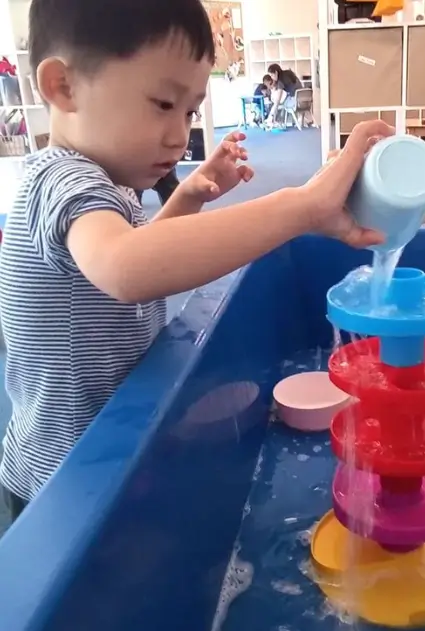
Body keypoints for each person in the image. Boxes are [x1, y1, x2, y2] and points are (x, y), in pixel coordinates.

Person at [0, 0, 388, 523]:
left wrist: (187, 198)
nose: (180, 134)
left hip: (104, 440)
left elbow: (136, 257)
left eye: (189, 111)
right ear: (63, 88)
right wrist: (299, 207)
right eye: (162, 103)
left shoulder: (104, 183)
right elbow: (125, 270)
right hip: (59, 480)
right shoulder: (63, 182)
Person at [265, 62, 302, 129]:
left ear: (276, 72)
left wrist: (273, 114)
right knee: (285, 98)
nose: (272, 78)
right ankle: (278, 120)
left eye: (272, 75)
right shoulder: (289, 73)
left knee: (281, 103)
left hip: (295, 102)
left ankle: (277, 121)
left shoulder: (280, 82)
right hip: (304, 101)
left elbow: (277, 101)